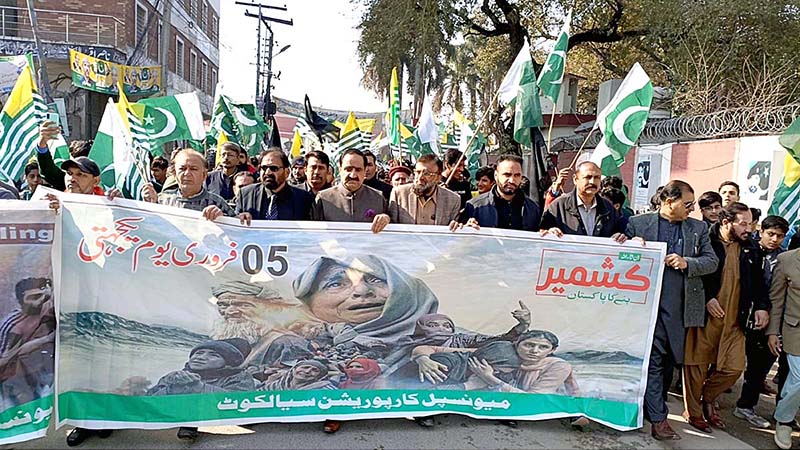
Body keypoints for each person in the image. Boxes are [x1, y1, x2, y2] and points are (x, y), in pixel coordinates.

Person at [625, 180, 718, 440]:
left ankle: (650, 407)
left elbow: (711, 262)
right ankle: (659, 419)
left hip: (680, 309)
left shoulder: (698, 229)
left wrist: (686, 262)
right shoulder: (639, 224)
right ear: (668, 202)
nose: (692, 209)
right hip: (647, 307)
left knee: (668, 363)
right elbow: (623, 257)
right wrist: (630, 245)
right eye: (687, 204)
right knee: (654, 360)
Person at [683, 202, 768, 433]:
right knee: (696, 366)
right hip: (705, 316)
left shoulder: (751, 247)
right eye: (742, 223)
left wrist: (761, 307)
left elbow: (760, 282)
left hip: (735, 320)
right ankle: (694, 412)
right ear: (725, 222)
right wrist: (707, 298)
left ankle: (708, 398)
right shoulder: (705, 241)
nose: (748, 228)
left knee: (734, 368)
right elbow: (692, 273)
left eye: (750, 223)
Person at [731, 215, 788, 428]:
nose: (774, 239)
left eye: (780, 236)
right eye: (771, 234)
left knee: (759, 365)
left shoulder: (783, 258)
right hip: (740, 312)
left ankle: (746, 405)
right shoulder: (747, 250)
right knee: (730, 362)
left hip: (769, 319)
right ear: (761, 231)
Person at [147, 338, 255, 442]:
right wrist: (172, 388)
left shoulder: (240, 377)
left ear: (227, 362)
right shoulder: (178, 375)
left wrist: (199, 387)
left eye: (213, 355)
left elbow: (240, 402)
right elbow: (150, 402)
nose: (201, 357)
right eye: (199, 353)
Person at [209, 280, 309, 364]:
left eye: (243, 305)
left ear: (268, 308)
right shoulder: (222, 340)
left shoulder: (288, 344)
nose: (230, 312)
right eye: (223, 305)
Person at [0, 278, 55, 407]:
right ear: (21, 300)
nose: (40, 300)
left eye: (44, 296)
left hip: (38, 376)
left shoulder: (47, 314)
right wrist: (42, 341)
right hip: (12, 383)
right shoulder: (14, 326)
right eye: (34, 297)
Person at [451, 154, 540, 232]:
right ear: (496, 175)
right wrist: (465, 229)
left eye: (517, 175)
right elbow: (462, 242)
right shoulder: (474, 207)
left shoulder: (533, 208)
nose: (512, 180)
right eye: (507, 175)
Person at [540, 161, 626, 242]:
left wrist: (618, 236)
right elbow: (541, 233)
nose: (592, 182)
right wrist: (549, 232)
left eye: (597, 178)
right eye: (588, 177)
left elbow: (618, 233)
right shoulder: (558, 206)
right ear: (575, 179)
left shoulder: (609, 209)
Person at [767, 246, 800, 449]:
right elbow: (777, 299)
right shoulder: (786, 260)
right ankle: (784, 419)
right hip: (795, 331)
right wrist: (772, 332)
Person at [311, 149, 390, 233]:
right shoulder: (323, 198)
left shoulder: (378, 198)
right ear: (340, 169)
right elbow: (315, 234)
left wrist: (386, 219)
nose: (353, 175)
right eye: (348, 169)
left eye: (358, 170)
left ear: (364, 171)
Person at [142, 149, 234, 221]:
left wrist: (222, 218)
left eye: (193, 169)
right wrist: (149, 206)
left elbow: (238, 232)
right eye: (182, 169)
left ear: (204, 175)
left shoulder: (217, 203)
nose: (187, 173)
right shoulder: (161, 200)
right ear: (175, 174)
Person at [235, 149, 314, 224]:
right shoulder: (246, 194)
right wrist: (239, 218)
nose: (268, 172)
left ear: (287, 172)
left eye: (274, 168)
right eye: (264, 168)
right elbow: (235, 224)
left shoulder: (303, 199)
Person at [388, 154, 460, 226]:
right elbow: (390, 226)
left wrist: (458, 226)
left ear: (438, 178)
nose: (420, 177)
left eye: (426, 174)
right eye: (418, 172)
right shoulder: (399, 194)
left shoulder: (453, 200)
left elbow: (454, 231)